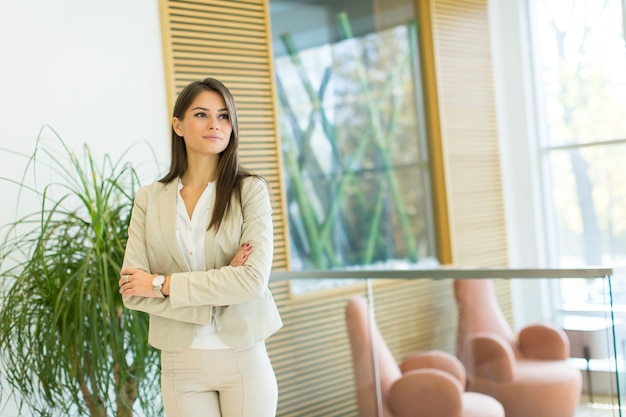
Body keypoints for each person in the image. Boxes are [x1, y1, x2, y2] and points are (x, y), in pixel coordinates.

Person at [118, 77, 283, 417]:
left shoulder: (250, 191)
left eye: (224, 116)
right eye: (201, 114)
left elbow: (252, 282)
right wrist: (221, 292)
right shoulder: (149, 198)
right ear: (178, 125)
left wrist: (162, 285)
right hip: (180, 366)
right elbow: (133, 291)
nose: (214, 124)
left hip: (243, 360)